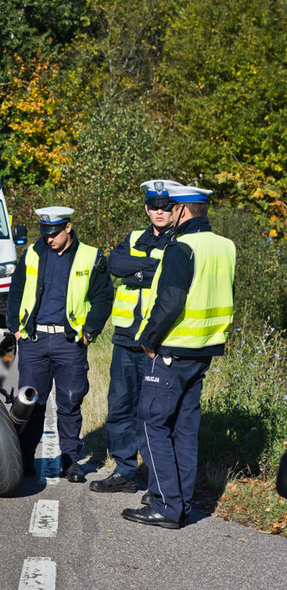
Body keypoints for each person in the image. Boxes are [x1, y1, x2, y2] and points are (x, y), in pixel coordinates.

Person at [122, 184, 236, 529]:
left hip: (172, 350)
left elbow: (170, 302)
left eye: (172, 208)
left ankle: (165, 506)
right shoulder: (225, 246)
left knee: (152, 424)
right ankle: (182, 503)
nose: (167, 214)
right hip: (205, 350)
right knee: (185, 429)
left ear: (184, 212)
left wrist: (148, 340)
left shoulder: (181, 247)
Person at [6, 206, 113, 482]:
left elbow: (103, 298)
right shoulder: (32, 252)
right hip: (35, 340)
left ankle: (71, 461)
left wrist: (89, 332)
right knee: (30, 404)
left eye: (53, 233)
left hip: (70, 342)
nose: (49, 238)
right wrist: (16, 330)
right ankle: (25, 459)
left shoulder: (90, 256)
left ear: (68, 227)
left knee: (69, 403)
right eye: (44, 232)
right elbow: (15, 291)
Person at [90, 180, 177, 494]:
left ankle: (157, 484)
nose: (158, 212)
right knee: (119, 408)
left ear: (175, 208)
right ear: (146, 208)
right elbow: (114, 264)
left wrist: (136, 271)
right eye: (153, 206)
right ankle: (125, 471)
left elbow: (171, 275)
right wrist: (148, 266)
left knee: (153, 414)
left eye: (164, 206)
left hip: (157, 342)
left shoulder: (180, 240)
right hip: (126, 340)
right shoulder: (134, 237)